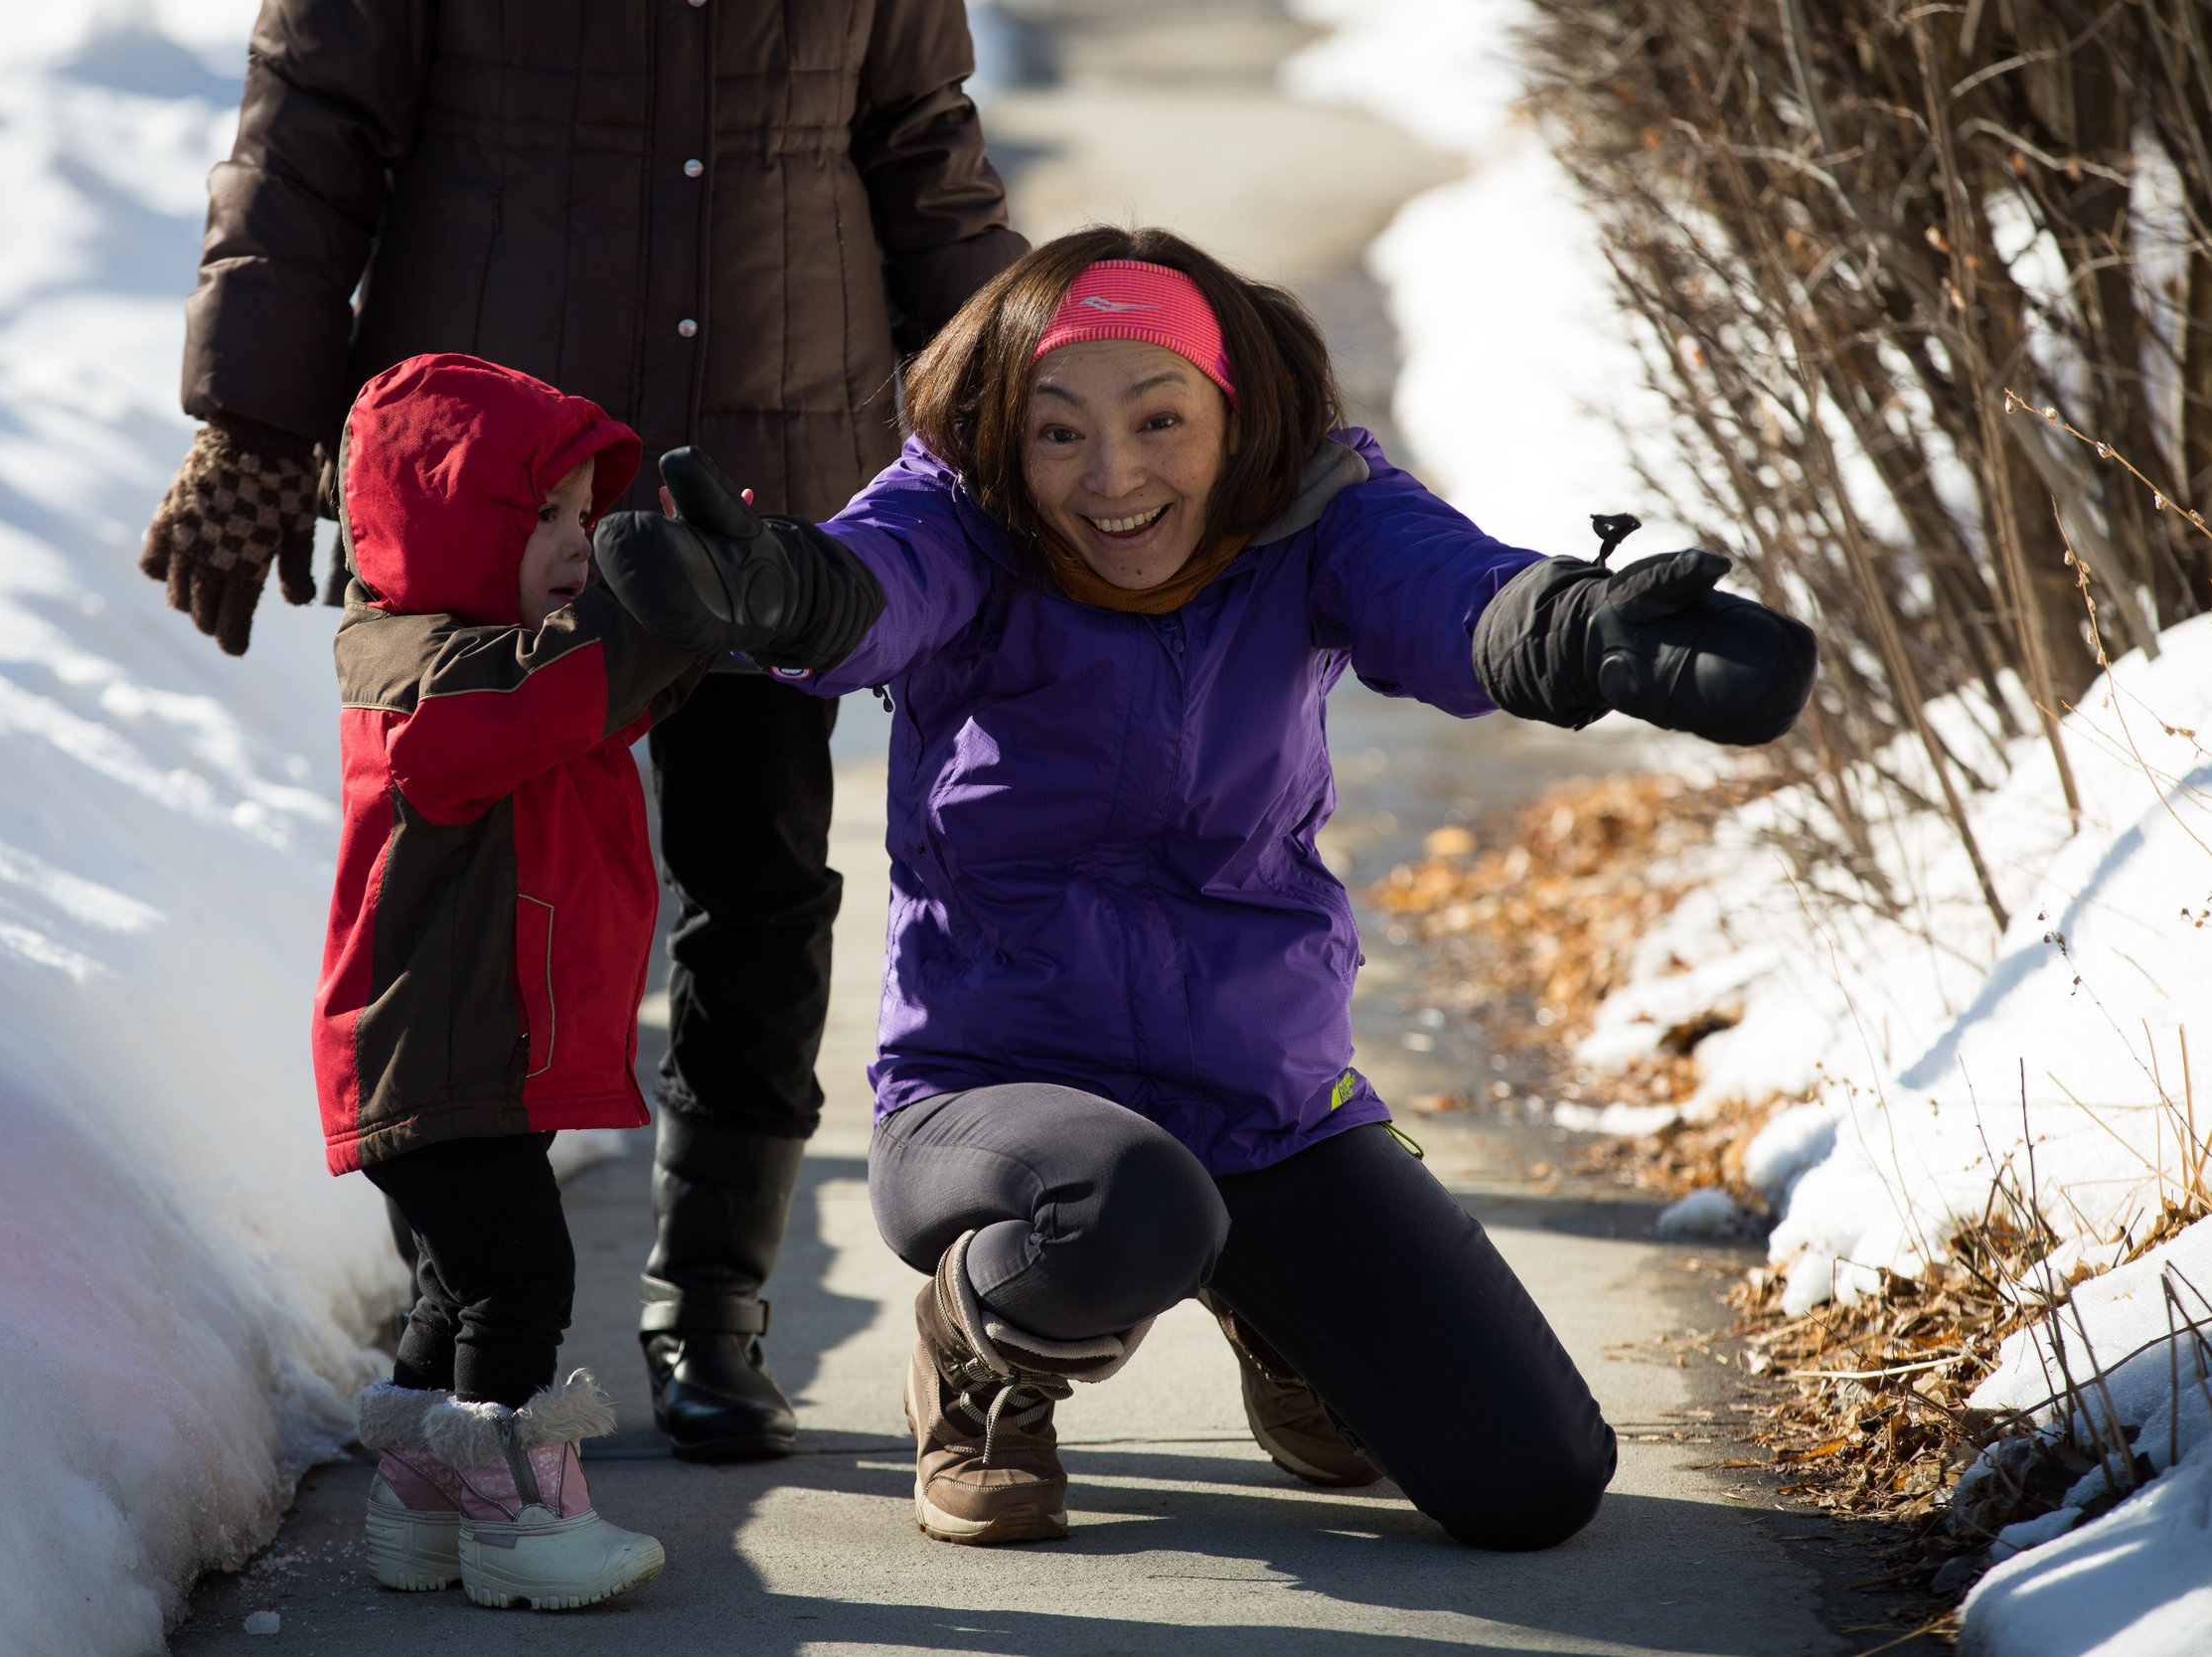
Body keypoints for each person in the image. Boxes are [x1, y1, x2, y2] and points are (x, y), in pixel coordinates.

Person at [592, 227, 1817, 1551]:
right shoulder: (962, 515)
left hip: (1259, 1094)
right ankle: (980, 1357)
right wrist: (785, 589)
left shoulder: (1315, 512)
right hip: (995, 1091)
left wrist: (1579, 630)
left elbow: (1452, 592)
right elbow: (873, 583)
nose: (1112, 476)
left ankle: (1274, 1304)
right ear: (1010, 436)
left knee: (1534, 1480)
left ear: (1233, 418)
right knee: (1136, 1206)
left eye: (1159, 418)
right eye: (1058, 432)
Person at [140, 0, 1028, 1464]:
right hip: (483, 489)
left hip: (770, 452)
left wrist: (1007, 419)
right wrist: (252, 417)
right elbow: (312, 122)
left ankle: (712, 1301)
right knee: (475, 896)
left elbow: (920, 147)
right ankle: (466, 1307)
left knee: (760, 881)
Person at [320, 353, 745, 1610]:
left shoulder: (500, 662)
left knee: (455, 1288)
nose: (578, 541)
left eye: (584, 515)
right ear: (456, 523)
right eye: (545, 517)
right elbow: (566, 693)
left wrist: (714, 596)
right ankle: (521, 1525)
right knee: (520, 1282)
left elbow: (610, 693)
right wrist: (651, 607)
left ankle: (422, 1506)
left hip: (470, 1051)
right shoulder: (422, 679)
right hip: (438, 1055)